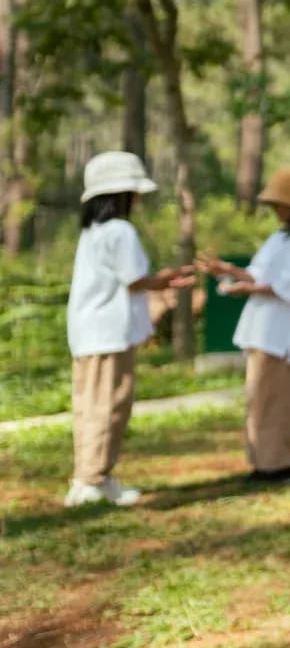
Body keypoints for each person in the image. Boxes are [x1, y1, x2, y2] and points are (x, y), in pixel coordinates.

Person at [63, 152, 196, 509]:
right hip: (109, 333)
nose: (137, 199)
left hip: (88, 332)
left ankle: (90, 477)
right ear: (119, 195)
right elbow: (136, 280)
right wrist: (167, 279)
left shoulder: (93, 233)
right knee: (110, 405)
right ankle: (93, 479)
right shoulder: (120, 231)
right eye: (133, 192)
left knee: (90, 406)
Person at [197, 168, 290, 485]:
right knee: (258, 398)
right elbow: (258, 273)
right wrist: (228, 271)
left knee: (277, 400)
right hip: (262, 331)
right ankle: (262, 462)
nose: (276, 210)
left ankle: (281, 464)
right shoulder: (280, 237)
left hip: (282, 334)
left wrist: (248, 289)